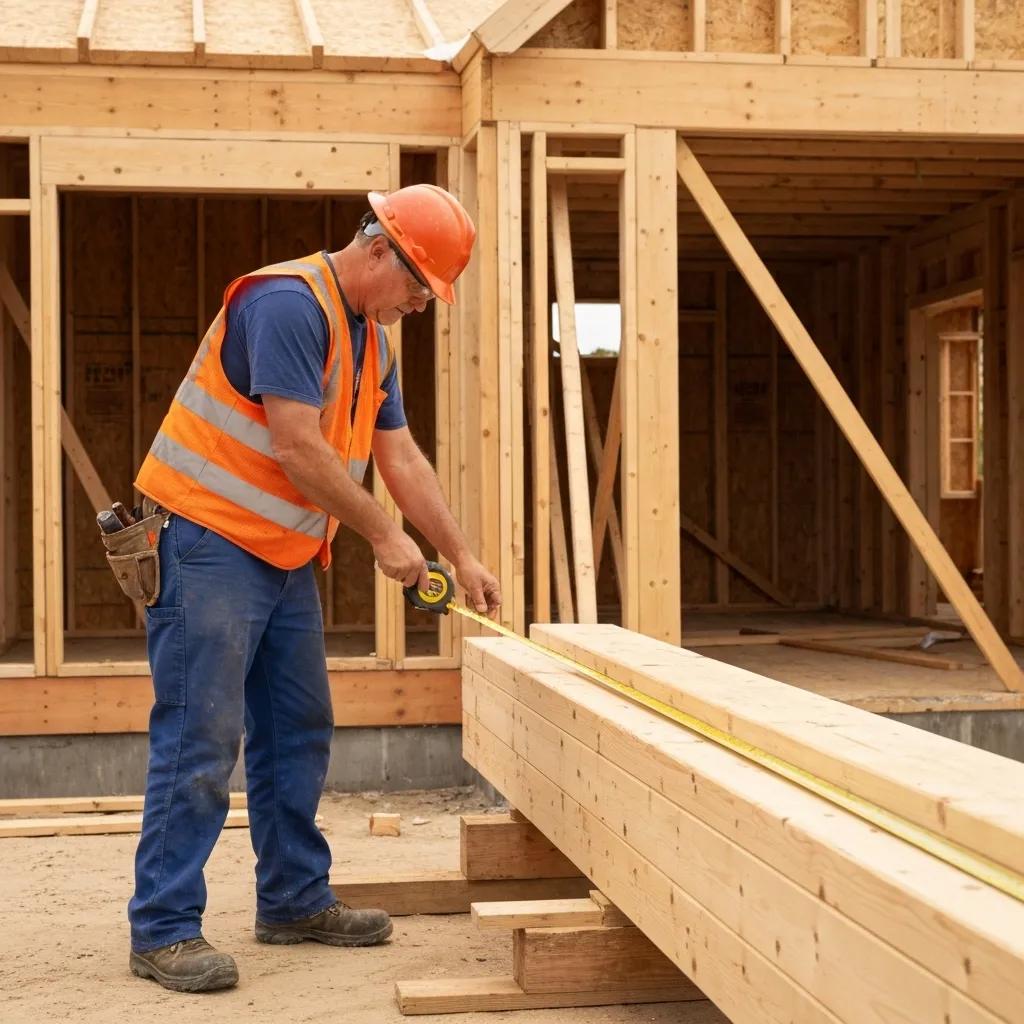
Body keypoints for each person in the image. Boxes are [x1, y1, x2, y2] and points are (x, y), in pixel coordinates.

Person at [126, 184, 501, 993]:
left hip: (283, 555)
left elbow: (400, 456)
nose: (419, 306)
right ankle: (162, 928)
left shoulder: (373, 342)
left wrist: (459, 554)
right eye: (418, 288)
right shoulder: (287, 304)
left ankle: (293, 900)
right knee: (201, 734)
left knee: (297, 728)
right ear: (379, 250)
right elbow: (297, 447)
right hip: (206, 540)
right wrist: (384, 536)